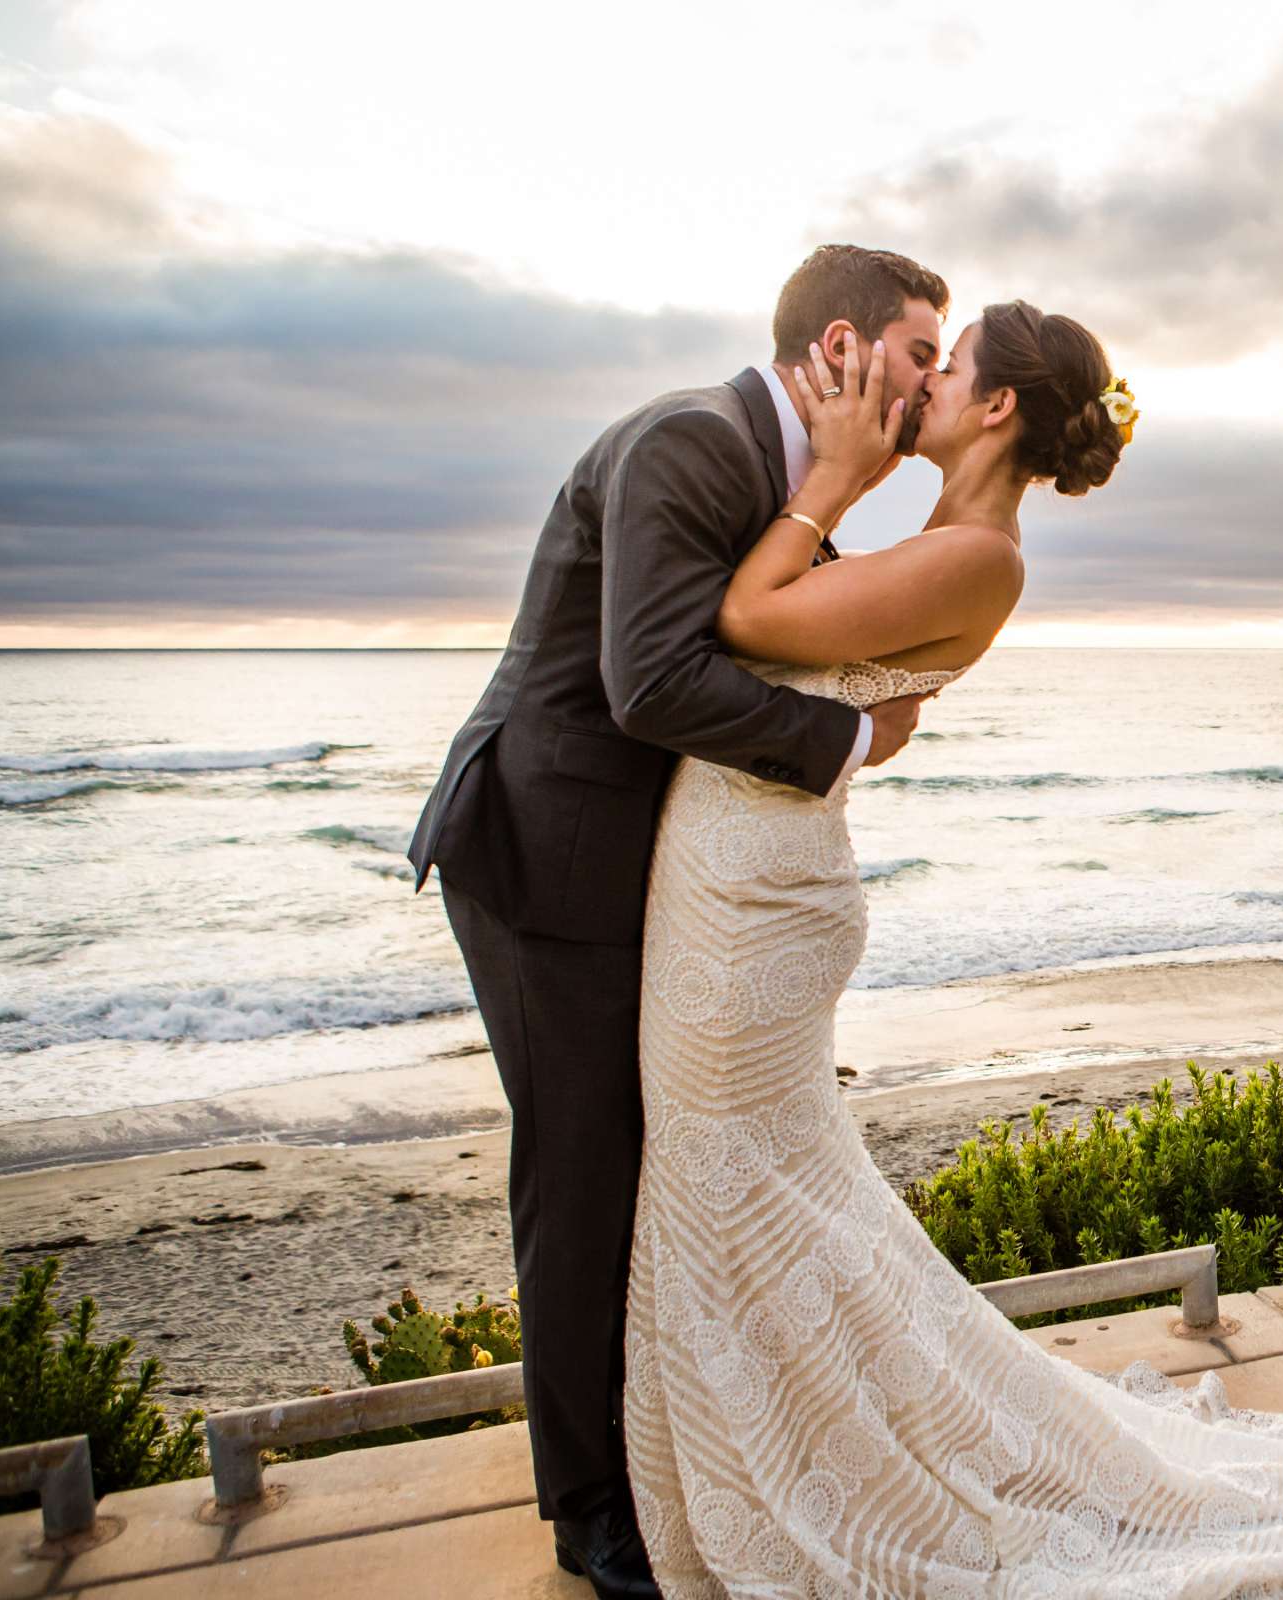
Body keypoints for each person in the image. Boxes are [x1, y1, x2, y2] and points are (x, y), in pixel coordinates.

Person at [623, 303, 1283, 1595]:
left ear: (997, 405)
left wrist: (836, 475)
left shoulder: (978, 555)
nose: (927, 386)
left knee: (737, 1194)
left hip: (752, 914)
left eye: (947, 367)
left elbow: (746, 618)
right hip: (739, 883)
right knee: (752, 1199)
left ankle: (825, 1480)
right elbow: (852, 691)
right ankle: (818, 1457)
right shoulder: (945, 540)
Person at [407, 245, 951, 1599]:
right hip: (548, 858)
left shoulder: (789, 491)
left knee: (650, 1163)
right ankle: (589, 1511)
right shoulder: (692, 443)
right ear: (841, 347)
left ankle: (661, 1449)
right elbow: (648, 681)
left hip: (642, 869)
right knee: (583, 1171)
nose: (932, 384)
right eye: (919, 355)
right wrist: (844, 736)